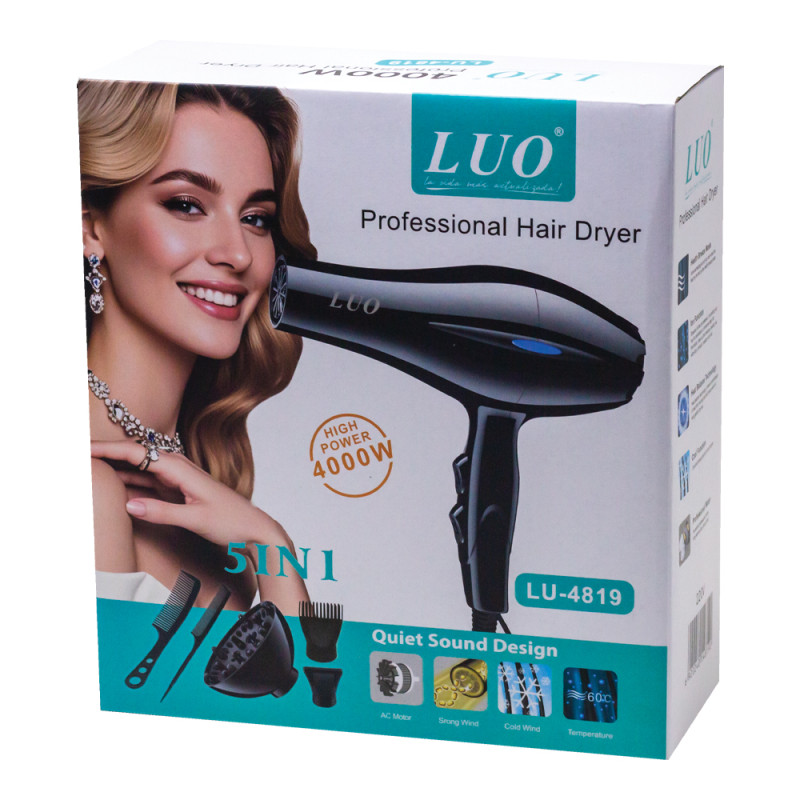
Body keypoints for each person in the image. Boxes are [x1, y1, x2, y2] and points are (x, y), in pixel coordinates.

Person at [80, 82, 315, 613]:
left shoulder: (198, 483)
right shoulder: (87, 486)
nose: (238, 254)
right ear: (91, 228)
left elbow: (302, 671)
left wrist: (269, 544)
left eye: (255, 219)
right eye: (187, 205)